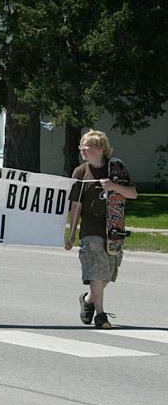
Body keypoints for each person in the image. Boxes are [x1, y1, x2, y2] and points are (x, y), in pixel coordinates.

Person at [65, 129, 137, 329]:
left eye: (86, 146)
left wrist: (113, 186)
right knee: (97, 272)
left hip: (114, 228)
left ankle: (87, 300)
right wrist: (71, 235)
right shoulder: (80, 172)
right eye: (81, 146)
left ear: (99, 148)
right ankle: (101, 316)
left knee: (107, 275)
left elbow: (132, 194)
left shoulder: (116, 170)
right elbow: (76, 206)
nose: (82, 150)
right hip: (90, 229)